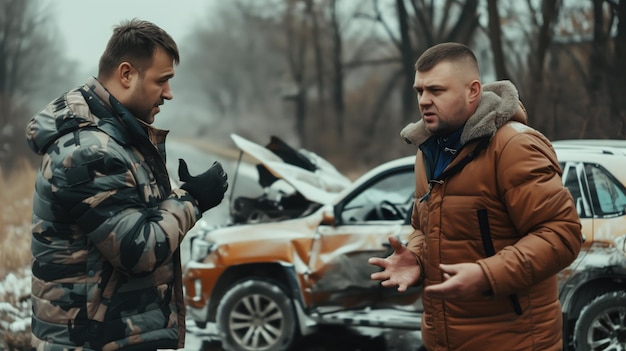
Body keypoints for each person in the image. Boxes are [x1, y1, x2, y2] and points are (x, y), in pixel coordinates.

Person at [26, 19, 228, 351]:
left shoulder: (115, 138)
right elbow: (136, 250)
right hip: (88, 340)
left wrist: (178, 195)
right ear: (126, 74)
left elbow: (133, 218)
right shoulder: (88, 152)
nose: (169, 93)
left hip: (113, 334)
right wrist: (192, 200)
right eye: (161, 81)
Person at [369, 42, 582, 351]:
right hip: (443, 340)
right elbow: (423, 228)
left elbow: (562, 235)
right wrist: (416, 257)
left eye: (436, 90)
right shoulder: (428, 151)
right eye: (419, 91)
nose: (424, 101)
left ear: (473, 91)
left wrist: (486, 274)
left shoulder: (513, 147)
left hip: (513, 341)